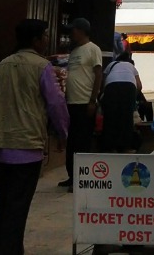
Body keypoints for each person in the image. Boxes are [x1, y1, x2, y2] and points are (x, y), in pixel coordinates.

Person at [0, 19, 69, 255]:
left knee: (4, 202)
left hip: (3, 145)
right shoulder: (42, 67)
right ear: (35, 40)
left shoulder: (3, 65)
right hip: (28, 146)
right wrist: (63, 132)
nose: (47, 40)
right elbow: (56, 103)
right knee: (18, 206)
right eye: (44, 36)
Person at [59, 18, 102, 189]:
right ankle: (71, 176)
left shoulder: (93, 49)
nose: (71, 34)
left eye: (73, 30)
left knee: (82, 142)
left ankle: (80, 178)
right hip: (71, 103)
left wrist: (93, 100)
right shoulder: (75, 51)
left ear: (82, 31)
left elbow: (98, 75)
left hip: (85, 102)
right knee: (72, 142)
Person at [99, 48, 142, 153]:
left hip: (111, 86)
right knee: (126, 118)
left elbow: (103, 80)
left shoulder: (111, 64)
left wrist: (103, 95)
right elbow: (139, 86)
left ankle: (109, 147)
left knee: (110, 117)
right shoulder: (131, 66)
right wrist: (132, 98)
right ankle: (126, 147)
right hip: (129, 87)